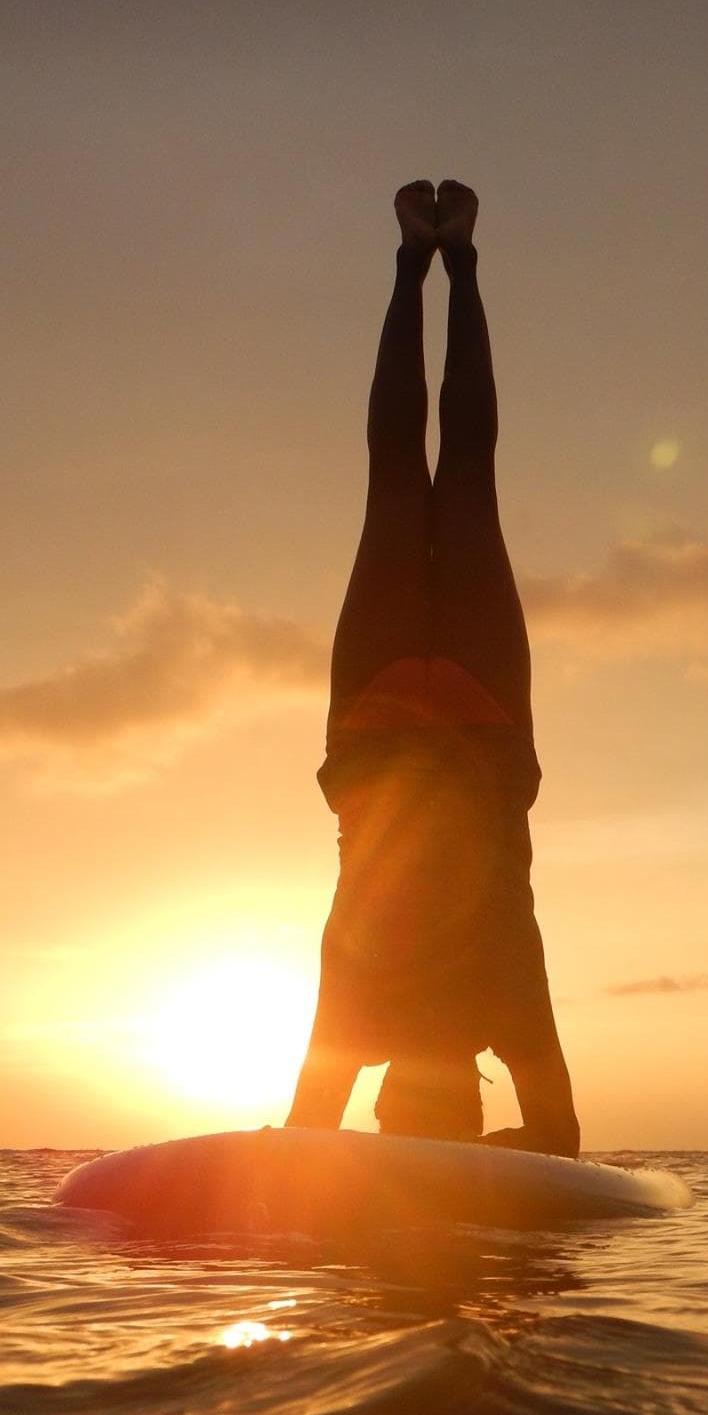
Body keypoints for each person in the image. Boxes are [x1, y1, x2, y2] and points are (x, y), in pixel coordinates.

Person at [283, 180, 581, 1159]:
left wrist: (493, 1160)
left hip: (427, 729)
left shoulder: (482, 1019)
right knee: (434, 478)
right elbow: (305, 1142)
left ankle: (436, 263)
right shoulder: (364, 1029)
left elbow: (554, 1139)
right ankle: (432, 263)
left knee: (433, 476)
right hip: (444, 728)